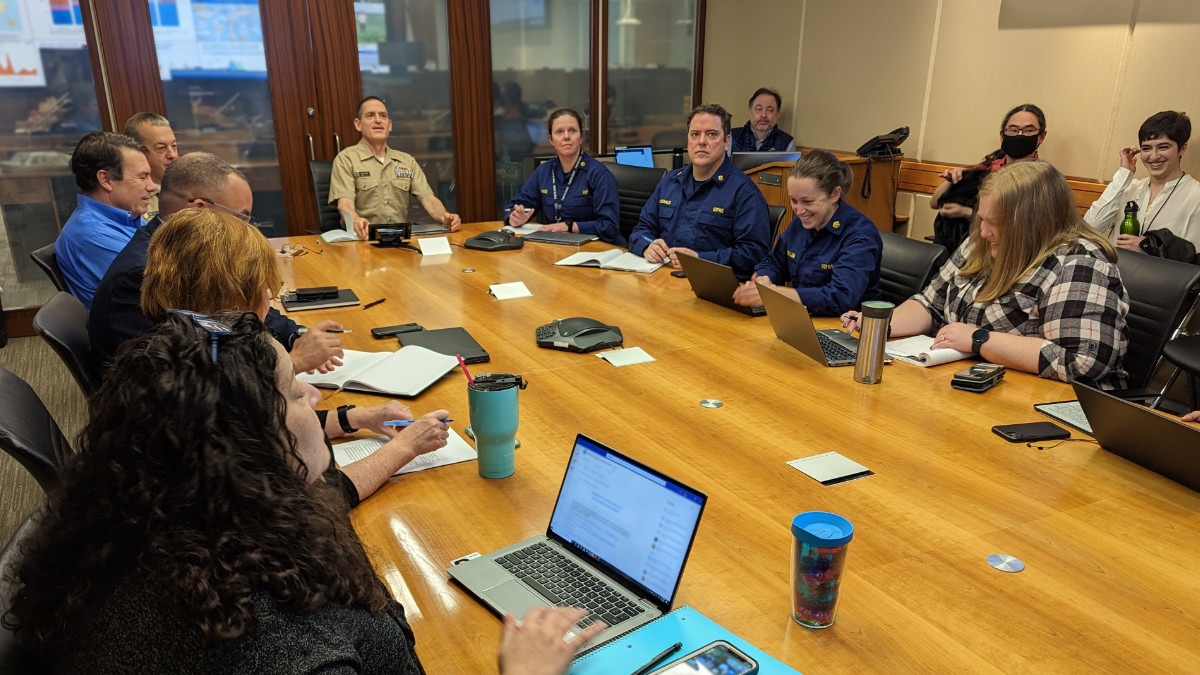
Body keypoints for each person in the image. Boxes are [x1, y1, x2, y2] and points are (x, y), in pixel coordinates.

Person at [2, 313, 603, 673]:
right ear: (245, 444)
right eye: (293, 392)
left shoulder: (149, 525)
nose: (316, 399)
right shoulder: (296, 648)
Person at [139, 207, 443, 506]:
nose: (270, 300)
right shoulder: (222, 373)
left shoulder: (176, 352)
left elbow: (265, 429)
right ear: (234, 295)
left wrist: (358, 417)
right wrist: (405, 447)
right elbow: (316, 500)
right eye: (264, 289)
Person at [844, 160, 1127, 389]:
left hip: (1034, 402)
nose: (983, 232)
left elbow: (1081, 364)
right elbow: (931, 303)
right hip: (961, 386)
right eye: (982, 219)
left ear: (1030, 226)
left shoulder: (1079, 264)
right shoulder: (983, 243)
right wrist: (880, 325)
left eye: (995, 223)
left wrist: (980, 339)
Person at [89, 152, 345, 375]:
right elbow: (194, 381)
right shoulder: (144, 273)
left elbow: (246, 307)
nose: (246, 229)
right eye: (241, 218)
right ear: (201, 209)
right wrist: (293, 362)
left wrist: (296, 336)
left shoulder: (191, 250)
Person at [629, 103, 771, 280]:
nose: (701, 141)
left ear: (726, 142)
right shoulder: (670, 182)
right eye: (695, 134)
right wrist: (646, 246)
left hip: (711, 287)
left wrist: (700, 260)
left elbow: (754, 254)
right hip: (664, 280)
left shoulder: (744, 192)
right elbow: (641, 228)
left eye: (711, 134)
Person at [732, 151, 881, 315]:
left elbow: (840, 298)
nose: (799, 210)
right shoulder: (802, 223)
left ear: (835, 194)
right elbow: (774, 263)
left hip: (845, 328)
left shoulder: (860, 235)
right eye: (794, 201)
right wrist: (764, 278)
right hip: (803, 319)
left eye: (808, 202)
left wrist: (774, 293)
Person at [329, 96, 461, 238]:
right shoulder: (346, 159)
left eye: (383, 116)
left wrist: (445, 217)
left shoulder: (406, 161)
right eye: (370, 115)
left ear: (389, 125)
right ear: (358, 124)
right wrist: (355, 220)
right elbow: (345, 204)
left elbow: (428, 198)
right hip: (363, 240)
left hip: (399, 239)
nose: (378, 120)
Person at [55, 131, 157, 308]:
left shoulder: (127, 216)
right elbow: (163, 288)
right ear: (106, 180)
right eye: (142, 177)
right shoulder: (94, 236)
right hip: (141, 329)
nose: (152, 186)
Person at [1084, 111, 1200, 263]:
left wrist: (1150, 250)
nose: (1153, 156)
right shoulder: (1129, 187)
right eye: (1146, 148)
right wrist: (1124, 174)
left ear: (1182, 148)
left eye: (1163, 147)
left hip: (1160, 284)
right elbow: (1090, 228)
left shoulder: (1195, 196)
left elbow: (1194, 260)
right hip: (1111, 279)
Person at [930, 104, 1047, 253]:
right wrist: (952, 181)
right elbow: (934, 203)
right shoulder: (986, 168)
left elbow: (1025, 226)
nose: (1020, 135)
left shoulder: (1042, 180)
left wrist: (966, 212)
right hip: (962, 249)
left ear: (1041, 137)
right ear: (1002, 135)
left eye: (1029, 130)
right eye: (1013, 129)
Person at [503, 108, 622, 244]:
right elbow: (515, 205)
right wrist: (515, 217)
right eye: (559, 132)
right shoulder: (544, 171)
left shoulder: (599, 174)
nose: (566, 136)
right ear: (551, 140)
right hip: (558, 246)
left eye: (572, 130)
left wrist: (569, 226)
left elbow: (610, 226)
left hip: (595, 248)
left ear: (581, 137)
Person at [124, 111, 179, 220]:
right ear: (138, 152)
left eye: (174, 146)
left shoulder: (190, 187)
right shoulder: (133, 199)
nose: (172, 155)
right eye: (161, 148)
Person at [730, 88, 796, 153]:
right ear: (750, 112)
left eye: (770, 110)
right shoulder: (732, 137)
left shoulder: (787, 142)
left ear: (778, 114)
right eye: (759, 109)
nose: (763, 115)